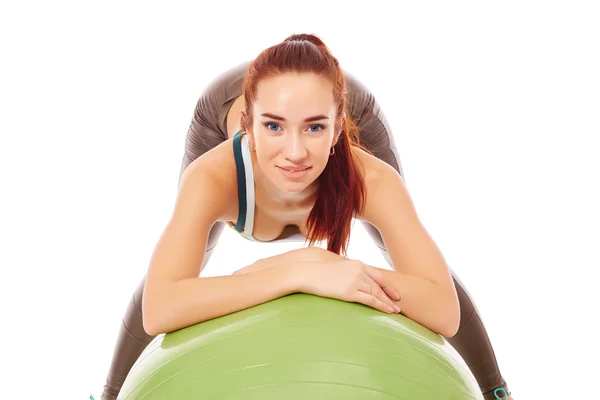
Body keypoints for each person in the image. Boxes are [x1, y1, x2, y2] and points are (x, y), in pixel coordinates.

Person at [99, 34, 512, 400]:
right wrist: (298, 269)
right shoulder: (212, 178)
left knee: (409, 255)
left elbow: (442, 304)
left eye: (314, 129)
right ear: (248, 126)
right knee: (187, 259)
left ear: (336, 132)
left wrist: (337, 267)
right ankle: (108, 394)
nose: (294, 153)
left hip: (345, 107)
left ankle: (499, 392)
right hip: (221, 104)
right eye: (273, 127)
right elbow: (161, 305)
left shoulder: (371, 178)